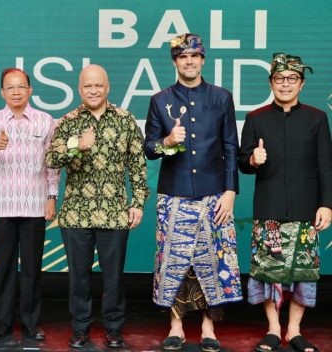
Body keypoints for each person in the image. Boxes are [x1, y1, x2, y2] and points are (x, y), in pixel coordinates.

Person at [143, 33, 242, 352]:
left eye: (194, 56)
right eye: (182, 56)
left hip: (215, 194)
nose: (189, 61)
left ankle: (209, 327)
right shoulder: (160, 100)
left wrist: (230, 191)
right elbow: (149, 149)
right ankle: (176, 326)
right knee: (175, 262)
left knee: (214, 261)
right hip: (174, 194)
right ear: (175, 61)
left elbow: (231, 146)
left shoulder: (221, 97)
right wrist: (167, 142)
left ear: (202, 60)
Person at [45, 64, 149, 349]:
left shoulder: (125, 119)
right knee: (78, 278)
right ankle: (80, 328)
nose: (93, 90)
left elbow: (137, 165)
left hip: (115, 213)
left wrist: (138, 203)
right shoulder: (68, 121)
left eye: (98, 85)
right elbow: (51, 159)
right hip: (76, 214)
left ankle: (114, 328)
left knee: (113, 278)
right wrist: (77, 146)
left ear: (107, 87)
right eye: (88, 86)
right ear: (80, 89)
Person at [238, 53, 331, 352]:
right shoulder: (256, 118)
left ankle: (294, 330)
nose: (285, 84)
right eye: (280, 78)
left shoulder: (317, 118)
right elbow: (242, 162)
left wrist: (326, 204)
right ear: (271, 83)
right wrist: (253, 159)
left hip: (306, 209)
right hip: (269, 208)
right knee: (267, 273)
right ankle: (273, 329)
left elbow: (326, 166)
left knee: (304, 273)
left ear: (301, 84)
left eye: (292, 79)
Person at [0, 68, 60, 341]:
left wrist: (51, 197)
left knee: (32, 269)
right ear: (2, 92)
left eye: (21, 87)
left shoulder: (45, 121)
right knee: (4, 268)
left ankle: (31, 323)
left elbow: (52, 164)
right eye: (10, 88)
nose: (16, 92)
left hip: (35, 205)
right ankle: (2, 323)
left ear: (30, 90)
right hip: (2, 206)